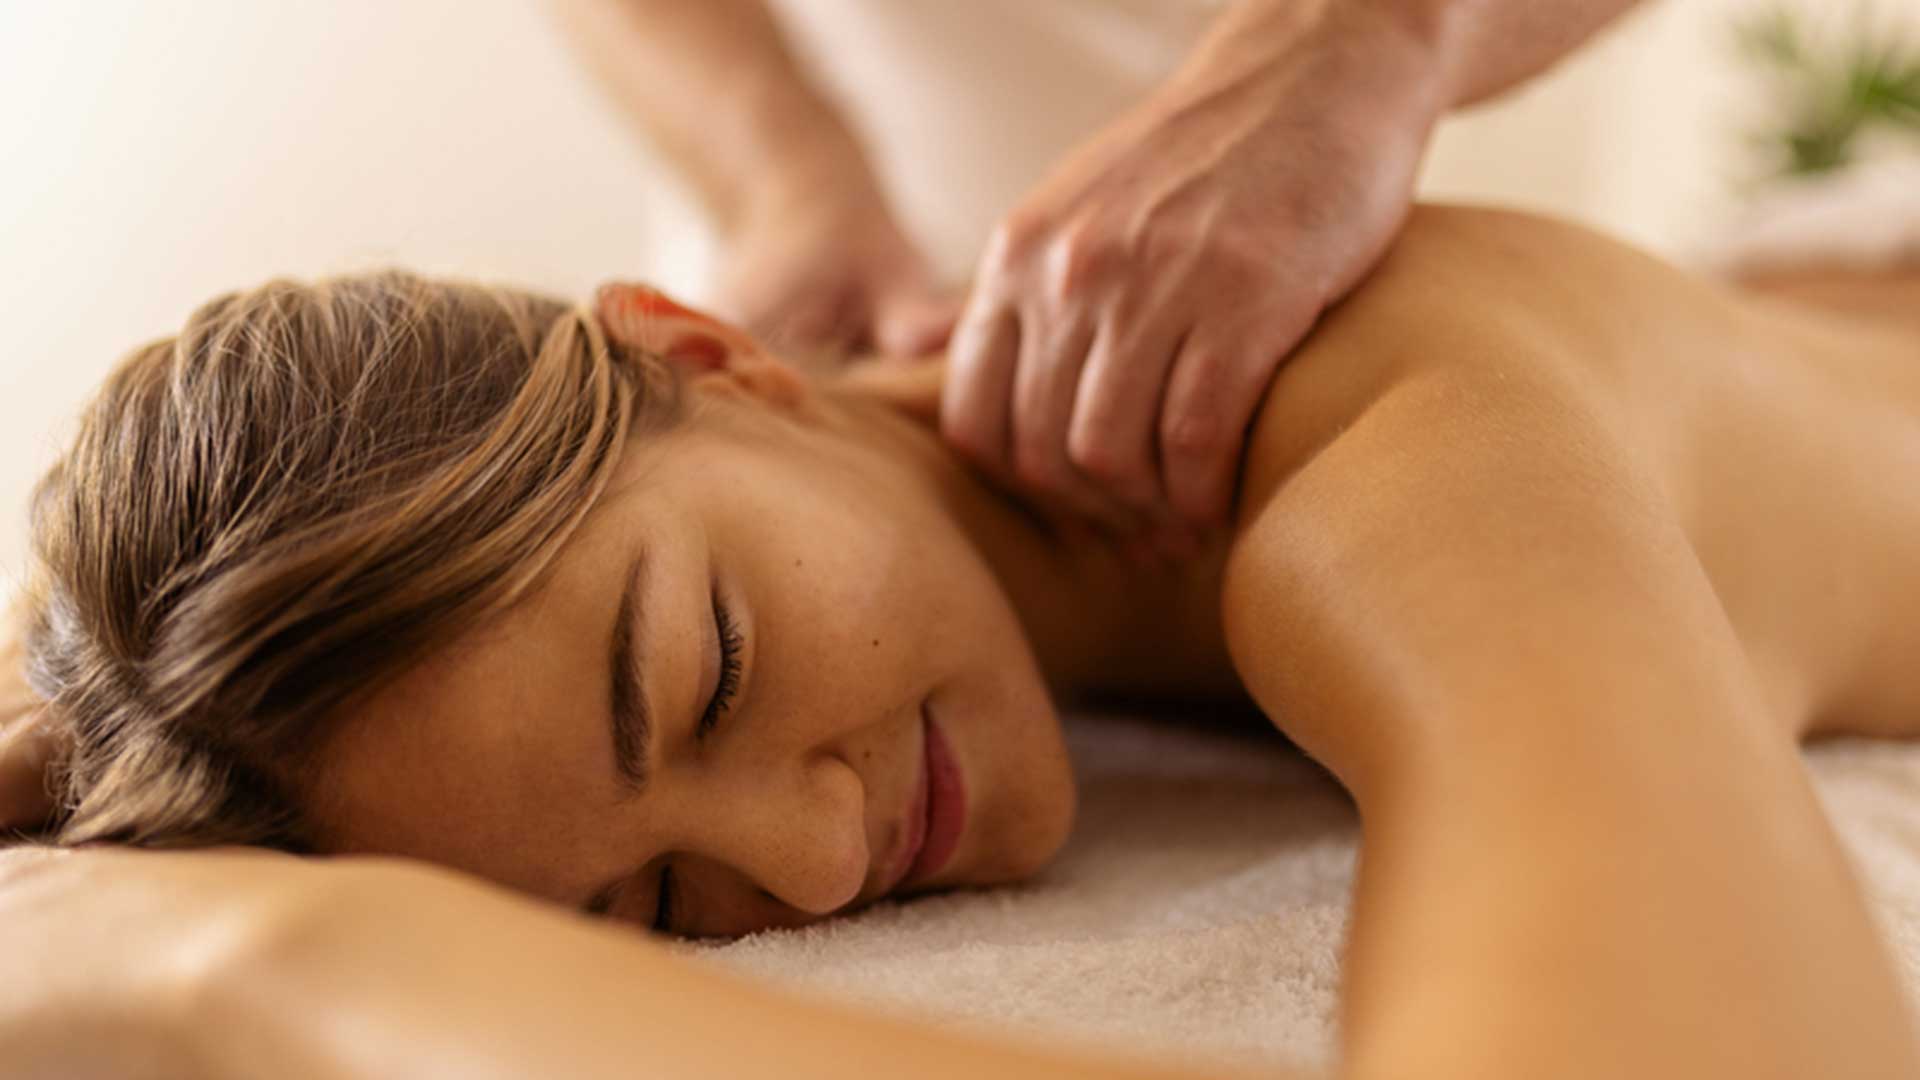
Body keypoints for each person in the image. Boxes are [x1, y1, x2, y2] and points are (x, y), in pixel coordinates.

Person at [3, 203, 1919, 1077]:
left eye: (710, 678)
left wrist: (262, 968)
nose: (822, 856)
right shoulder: (1013, 445)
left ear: (711, 356)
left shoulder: (1395, 474)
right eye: (660, 911)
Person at [554, 0, 1644, 554]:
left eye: (727, 670)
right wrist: (783, 181)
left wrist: (1370, 38)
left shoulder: (1402, 472)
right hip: (816, 308)